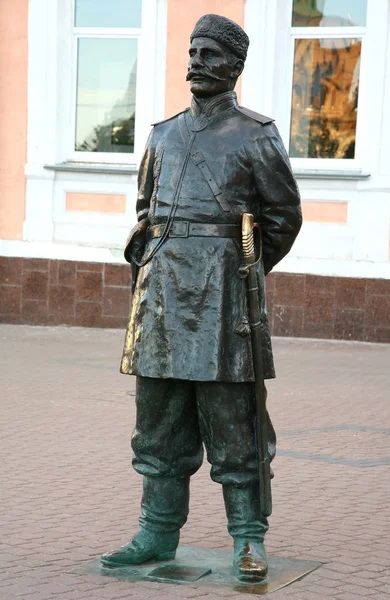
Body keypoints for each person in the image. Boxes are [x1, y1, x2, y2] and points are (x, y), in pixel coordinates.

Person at [101, 13, 302, 582]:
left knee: (233, 422)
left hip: (222, 302)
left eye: (209, 53)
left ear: (234, 66)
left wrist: (243, 273)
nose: (196, 61)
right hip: (162, 297)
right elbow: (146, 212)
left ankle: (247, 539)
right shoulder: (162, 135)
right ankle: (156, 532)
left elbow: (283, 217)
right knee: (159, 420)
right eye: (192, 51)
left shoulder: (256, 134)